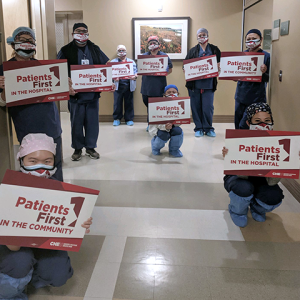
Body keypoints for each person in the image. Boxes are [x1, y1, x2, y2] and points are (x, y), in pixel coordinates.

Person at [0, 133, 93, 300]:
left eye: (47, 161)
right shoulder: (8, 189)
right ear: (21, 160)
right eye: (32, 161)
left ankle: (32, 275)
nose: (40, 168)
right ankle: (11, 289)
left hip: (43, 243)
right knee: (19, 263)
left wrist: (80, 224)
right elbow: (12, 246)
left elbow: (67, 228)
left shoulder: (61, 192)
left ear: (54, 162)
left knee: (58, 274)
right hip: (14, 246)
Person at [0, 26, 66, 182]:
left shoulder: (45, 68)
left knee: (53, 168)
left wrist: (67, 88)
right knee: (32, 170)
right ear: (13, 44)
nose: (27, 44)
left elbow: (58, 91)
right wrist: (4, 88)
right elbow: (2, 102)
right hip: (27, 129)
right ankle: (35, 204)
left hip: (51, 126)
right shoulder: (5, 70)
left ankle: (57, 201)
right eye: (22, 41)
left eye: (30, 41)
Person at [222, 103, 284, 227]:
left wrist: (285, 161)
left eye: (267, 120)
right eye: (257, 121)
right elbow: (241, 176)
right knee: (243, 188)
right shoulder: (238, 141)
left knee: (274, 195)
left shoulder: (279, 144)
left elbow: (272, 182)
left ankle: (257, 208)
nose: (263, 124)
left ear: (272, 122)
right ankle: (238, 211)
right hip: (239, 178)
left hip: (263, 181)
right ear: (249, 123)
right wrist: (230, 156)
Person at [57, 23, 110, 161]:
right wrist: (66, 88)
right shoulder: (65, 50)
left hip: (92, 95)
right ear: (73, 33)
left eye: (84, 31)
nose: (81, 33)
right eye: (78, 31)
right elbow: (58, 71)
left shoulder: (94, 48)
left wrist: (109, 82)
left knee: (92, 123)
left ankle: (91, 147)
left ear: (88, 33)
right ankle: (77, 148)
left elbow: (106, 65)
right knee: (76, 123)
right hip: (75, 95)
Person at [185, 28, 221, 138]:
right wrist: (186, 69)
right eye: (200, 35)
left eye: (204, 34)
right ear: (197, 37)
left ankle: (208, 128)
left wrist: (219, 68)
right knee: (195, 107)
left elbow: (220, 64)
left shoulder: (214, 49)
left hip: (209, 84)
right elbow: (185, 65)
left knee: (208, 107)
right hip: (194, 85)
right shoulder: (192, 51)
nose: (202, 37)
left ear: (208, 36)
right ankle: (199, 128)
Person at [234, 29, 270, 129]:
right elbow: (237, 74)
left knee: (244, 125)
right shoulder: (242, 56)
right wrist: (232, 75)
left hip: (256, 98)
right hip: (240, 96)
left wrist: (264, 72)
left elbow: (268, 78)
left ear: (261, 39)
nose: (251, 41)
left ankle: (243, 143)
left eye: (254, 39)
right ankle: (237, 143)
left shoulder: (266, 56)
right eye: (248, 39)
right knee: (237, 123)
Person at [140, 36, 173, 131]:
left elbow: (170, 69)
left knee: (157, 106)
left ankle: (156, 125)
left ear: (158, 44)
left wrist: (165, 72)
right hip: (146, 87)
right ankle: (150, 124)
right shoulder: (144, 56)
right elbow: (140, 69)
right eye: (150, 43)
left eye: (154, 42)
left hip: (159, 86)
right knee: (149, 106)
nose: (152, 45)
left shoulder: (164, 56)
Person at [149, 84, 183, 157]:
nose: (171, 94)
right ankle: (155, 147)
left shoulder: (180, 105)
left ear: (177, 94)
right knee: (163, 134)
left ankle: (174, 150)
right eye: (169, 92)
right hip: (159, 129)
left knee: (178, 131)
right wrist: (165, 127)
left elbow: (180, 122)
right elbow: (154, 124)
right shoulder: (157, 105)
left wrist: (173, 124)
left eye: (174, 92)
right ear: (164, 95)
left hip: (172, 127)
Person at [110, 45, 137, 126]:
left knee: (129, 103)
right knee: (117, 103)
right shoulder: (113, 62)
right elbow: (109, 74)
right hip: (118, 86)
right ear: (117, 52)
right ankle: (117, 118)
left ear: (126, 51)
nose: (122, 52)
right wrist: (114, 78)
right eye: (120, 50)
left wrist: (134, 76)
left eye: (123, 50)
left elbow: (136, 72)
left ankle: (129, 119)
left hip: (128, 85)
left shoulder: (131, 62)